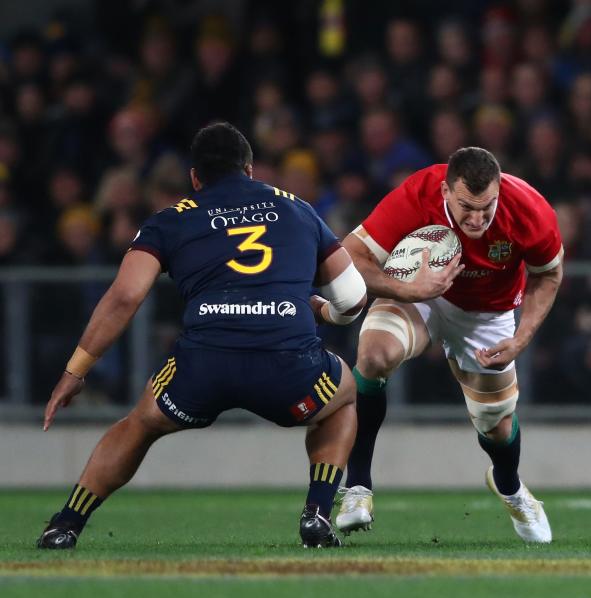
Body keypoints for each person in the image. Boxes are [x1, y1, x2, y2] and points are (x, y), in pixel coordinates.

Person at [37, 122, 367, 550]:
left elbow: (124, 297)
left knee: (139, 424)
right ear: (249, 170)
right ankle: (317, 516)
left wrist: (76, 371)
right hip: (287, 368)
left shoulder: (169, 220)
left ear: (195, 178)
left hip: (203, 368)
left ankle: (66, 524)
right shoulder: (298, 208)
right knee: (342, 397)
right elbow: (354, 298)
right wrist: (322, 311)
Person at [337, 147, 563, 543]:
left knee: (496, 425)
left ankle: (510, 487)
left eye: (487, 206)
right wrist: (408, 288)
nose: (477, 219)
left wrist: (522, 336)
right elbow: (349, 258)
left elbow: (548, 275)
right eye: (466, 207)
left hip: (487, 312)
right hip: (418, 293)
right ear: (445, 191)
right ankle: (357, 488)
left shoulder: (530, 209)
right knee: (373, 356)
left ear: (499, 191)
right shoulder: (416, 195)